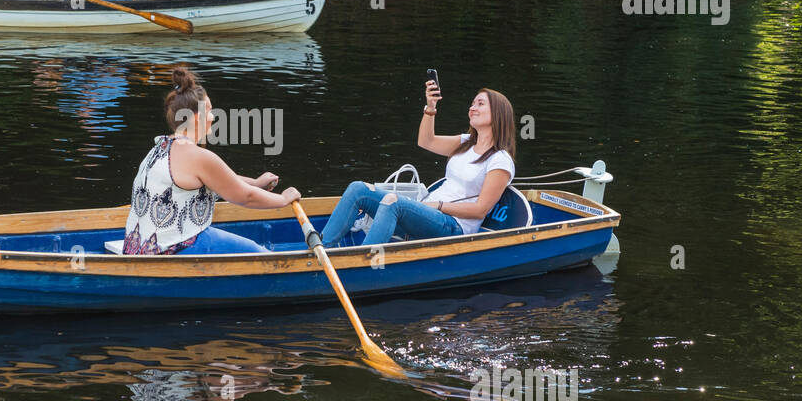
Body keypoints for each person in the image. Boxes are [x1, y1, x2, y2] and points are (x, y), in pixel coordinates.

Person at [123, 67, 300, 255]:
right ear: (198, 117)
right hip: (175, 248)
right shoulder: (198, 156)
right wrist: (283, 199)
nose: (213, 117)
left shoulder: (159, 147)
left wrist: (256, 183)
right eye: (209, 111)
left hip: (138, 250)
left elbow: (219, 180)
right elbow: (244, 197)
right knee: (261, 255)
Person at [321, 84, 517, 247]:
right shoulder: (466, 142)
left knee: (393, 201)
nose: (472, 108)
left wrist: (438, 205)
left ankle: (361, 265)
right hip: (430, 214)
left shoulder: (500, 160)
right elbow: (426, 141)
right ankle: (322, 251)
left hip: (453, 226)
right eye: (472, 103)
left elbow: (480, 210)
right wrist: (430, 107)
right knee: (358, 189)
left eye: (480, 104)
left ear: (498, 113)